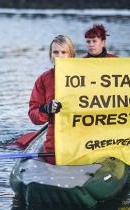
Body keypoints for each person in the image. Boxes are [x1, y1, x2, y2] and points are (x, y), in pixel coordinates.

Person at [28, 35, 76, 164]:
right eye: (55, 52)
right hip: (54, 141)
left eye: (63, 52)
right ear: (50, 55)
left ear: (71, 55)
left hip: (81, 139)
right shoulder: (43, 79)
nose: (59, 56)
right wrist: (46, 109)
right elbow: (34, 115)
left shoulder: (86, 76)